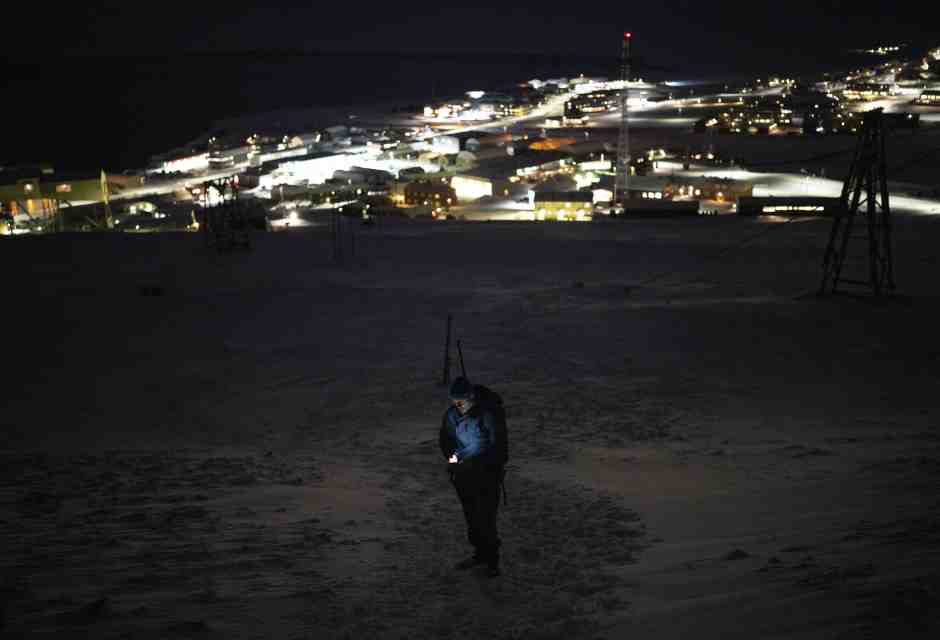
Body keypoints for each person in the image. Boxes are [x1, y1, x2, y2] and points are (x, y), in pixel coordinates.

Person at [439, 376, 508, 578]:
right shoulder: (452, 415)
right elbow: (445, 438)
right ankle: (479, 554)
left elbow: (492, 444)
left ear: (471, 397)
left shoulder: (488, 413)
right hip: (463, 475)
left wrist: (467, 457)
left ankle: (492, 561)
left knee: (486, 518)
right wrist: (452, 458)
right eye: (455, 402)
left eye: (461, 401)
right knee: (471, 517)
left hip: (486, 474)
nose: (458, 406)